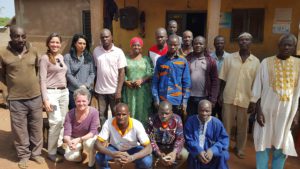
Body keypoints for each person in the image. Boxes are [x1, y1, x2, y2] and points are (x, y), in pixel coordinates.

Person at [250, 34, 300, 169]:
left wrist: (296, 115)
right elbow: (257, 89)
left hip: (287, 113)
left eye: (290, 45)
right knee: (262, 142)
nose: (286, 47)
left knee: (282, 144)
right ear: (278, 46)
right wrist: (258, 111)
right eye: (284, 44)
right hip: (265, 111)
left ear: (294, 47)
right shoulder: (265, 62)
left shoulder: (298, 64)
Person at [0, 26, 44, 169]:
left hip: (35, 96)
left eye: (23, 36)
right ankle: (23, 156)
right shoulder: (2, 53)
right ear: (11, 37)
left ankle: (36, 153)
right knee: (19, 129)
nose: (20, 40)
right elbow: (2, 74)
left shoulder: (34, 50)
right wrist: (10, 89)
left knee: (36, 127)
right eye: (17, 36)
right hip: (16, 98)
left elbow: (37, 69)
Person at [218, 32, 260, 159]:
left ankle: (240, 148)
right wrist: (220, 95)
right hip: (229, 97)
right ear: (238, 42)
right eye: (241, 40)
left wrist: (254, 101)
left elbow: (257, 84)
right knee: (226, 124)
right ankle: (224, 146)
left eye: (247, 40)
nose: (244, 42)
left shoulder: (256, 62)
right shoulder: (229, 58)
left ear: (251, 42)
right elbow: (222, 79)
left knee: (243, 126)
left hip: (245, 100)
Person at [95, 103, 153, 169]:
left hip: (133, 149)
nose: (121, 117)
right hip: (114, 149)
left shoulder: (137, 124)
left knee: (147, 161)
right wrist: (112, 154)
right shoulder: (108, 123)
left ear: (129, 114)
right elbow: (96, 144)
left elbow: (149, 148)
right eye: (118, 114)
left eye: (124, 114)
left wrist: (132, 157)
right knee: (99, 157)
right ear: (115, 114)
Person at [39, 33, 69, 162]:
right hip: (52, 94)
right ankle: (51, 152)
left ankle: (58, 146)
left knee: (62, 121)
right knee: (55, 121)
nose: (55, 44)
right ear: (48, 43)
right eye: (52, 42)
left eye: (57, 42)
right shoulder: (45, 58)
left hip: (64, 93)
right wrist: (45, 99)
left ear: (60, 44)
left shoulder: (61, 57)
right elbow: (42, 80)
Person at [152, 34, 191, 120]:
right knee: (162, 125)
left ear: (179, 45)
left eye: (175, 45)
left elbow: (186, 83)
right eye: (171, 44)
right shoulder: (160, 60)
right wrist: (156, 98)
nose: (173, 47)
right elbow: (155, 81)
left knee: (176, 124)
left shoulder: (183, 61)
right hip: (162, 99)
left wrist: (184, 102)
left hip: (177, 101)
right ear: (167, 44)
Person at [93, 28, 127, 125]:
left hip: (114, 90)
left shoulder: (118, 52)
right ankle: (104, 136)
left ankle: (115, 136)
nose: (105, 39)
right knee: (101, 115)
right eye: (102, 37)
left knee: (116, 114)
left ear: (111, 37)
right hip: (100, 90)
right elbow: (95, 70)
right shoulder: (96, 51)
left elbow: (122, 72)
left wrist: (118, 91)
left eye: (107, 36)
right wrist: (94, 87)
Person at [184, 100, 229, 169]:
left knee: (224, 155)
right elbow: (188, 139)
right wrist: (199, 150)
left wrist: (212, 150)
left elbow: (224, 140)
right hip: (196, 151)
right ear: (197, 110)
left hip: (212, 153)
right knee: (189, 154)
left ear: (211, 111)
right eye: (201, 110)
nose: (204, 113)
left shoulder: (217, 123)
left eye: (207, 111)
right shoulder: (191, 121)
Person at [63, 87, 100, 169]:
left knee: (90, 144)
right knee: (69, 157)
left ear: (88, 101)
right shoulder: (70, 114)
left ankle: (91, 164)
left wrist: (79, 139)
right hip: (74, 139)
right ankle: (79, 156)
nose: (81, 103)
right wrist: (70, 143)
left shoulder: (94, 112)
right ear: (75, 101)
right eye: (78, 101)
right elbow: (66, 134)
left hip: (88, 137)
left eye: (84, 101)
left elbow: (93, 132)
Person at [146, 101, 188, 169]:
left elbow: (180, 138)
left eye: (167, 113)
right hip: (157, 148)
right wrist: (159, 153)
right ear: (158, 112)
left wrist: (174, 152)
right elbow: (151, 139)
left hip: (172, 147)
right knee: (147, 156)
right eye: (161, 113)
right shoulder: (151, 120)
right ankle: (154, 165)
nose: (164, 116)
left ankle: (173, 166)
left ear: (171, 112)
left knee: (185, 154)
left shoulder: (177, 119)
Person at [122, 37, 153, 124]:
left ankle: (143, 132)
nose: (136, 47)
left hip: (142, 90)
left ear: (142, 47)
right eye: (134, 45)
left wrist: (142, 80)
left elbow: (150, 72)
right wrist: (126, 81)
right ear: (131, 46)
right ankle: (130, 130)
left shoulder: (146, 59)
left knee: (142, 109)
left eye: (138, 45)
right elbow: (121, 72)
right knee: (130, 109)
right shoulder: (125, 59)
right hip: (129, 90)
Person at [186, 36, 218, 115]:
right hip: (189, 97)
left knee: (203, 121)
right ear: (192, 45)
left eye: (201, 44)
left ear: (205, 45)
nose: (198, 45)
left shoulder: (211, 61)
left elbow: (215, 81)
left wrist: (213, 99)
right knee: (190, 120)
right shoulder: (187, 59)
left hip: (205, 97)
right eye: (196, 43)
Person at [64, 33, 95, 110]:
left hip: (87, 91)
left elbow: (92, 73)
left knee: (85, 114)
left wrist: (86, 85)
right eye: (80, 43)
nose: (82, 46)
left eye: (84, 44)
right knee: (74, 113)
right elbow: (68, 74)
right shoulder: (68, 57)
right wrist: (80, 86)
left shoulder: (89, 57)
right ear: (75, 44)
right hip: (73, 91)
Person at [211, 35, 230, 120]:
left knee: (223, 117)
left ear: (224, 44)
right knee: (211, 115)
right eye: (217, 43)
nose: (219, 45)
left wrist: (222, 94)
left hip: (225, 92)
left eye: (221, 43)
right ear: (214, 44)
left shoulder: (230, 58)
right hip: (212, 92)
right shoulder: (209, 57)